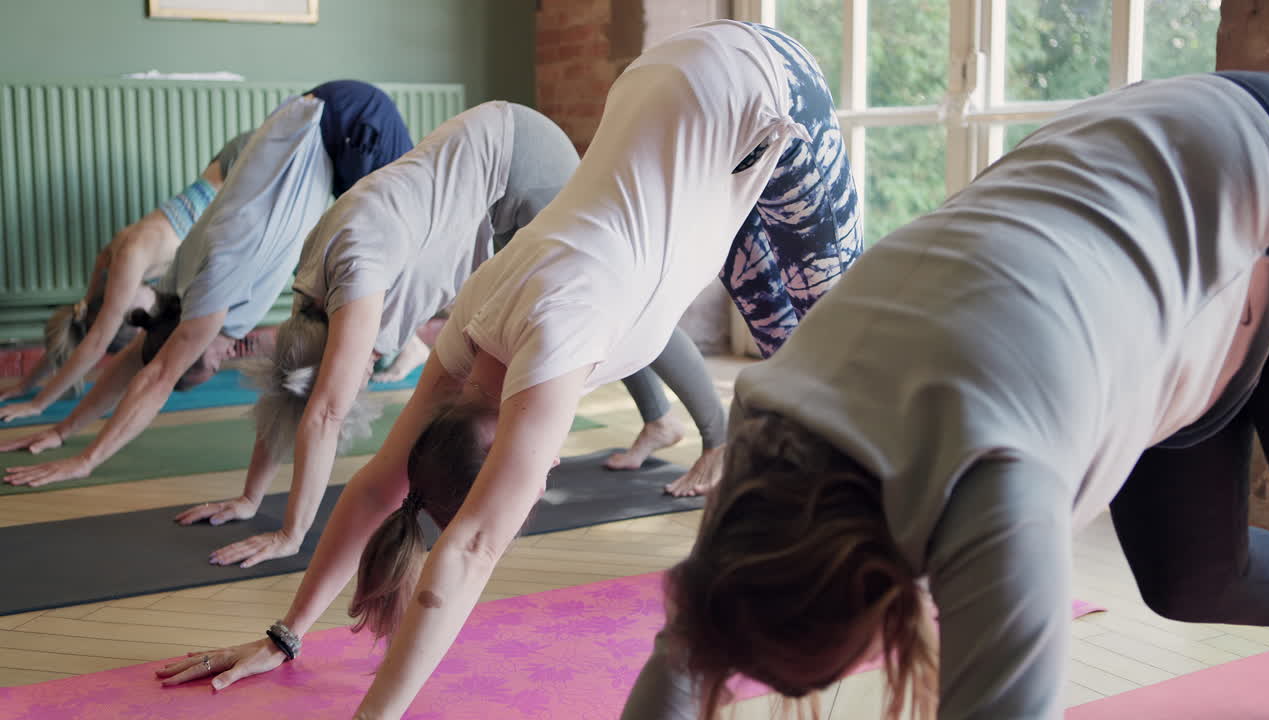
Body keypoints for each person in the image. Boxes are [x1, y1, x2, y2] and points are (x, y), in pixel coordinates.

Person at [153, 21, 861, 717]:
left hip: (757, 78)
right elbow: (377, 488)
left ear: (497, 447)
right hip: (661, 81)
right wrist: (288, 634)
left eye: (529, 474)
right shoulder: (472, 324)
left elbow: (466, 551)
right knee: (788, 353)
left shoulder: (554, 346)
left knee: (837, 356)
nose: (545, 473)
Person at [613, 70, 1269, 720]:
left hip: (1250, 156)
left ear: (874, 606)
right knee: (1196, 578)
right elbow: (687, 652)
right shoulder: (770, 435)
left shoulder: (996, 487)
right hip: (1153, 220)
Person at [175, 101, 728, 567]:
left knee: (608, 303)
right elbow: (294, 390)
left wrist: (291, 536)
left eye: (353, 372)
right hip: (486, 162)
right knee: (581, 317)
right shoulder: (312, 299)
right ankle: (658, 421)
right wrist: (251, 497)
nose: (363, 374)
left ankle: (717, 438)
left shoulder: (357, 269)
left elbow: (324, 410)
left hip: (518, 160)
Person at [1, 80, 412, 488]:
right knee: (369, 230)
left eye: (212, 364)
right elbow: (139, 356)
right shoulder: (177, 290)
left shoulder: (212, 295)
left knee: (401, 227)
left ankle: (409, 341)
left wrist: (86, 460)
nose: (227, 356)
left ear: (200, 352)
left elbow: (157, 376)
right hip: (317, 126)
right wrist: (61, 431)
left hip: (347, 118)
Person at [0, 132, 251, 421]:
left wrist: (38, 404)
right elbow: (76, 328)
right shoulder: (111, 267)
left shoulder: (129, 258)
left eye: (134, 319)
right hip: (229, 170)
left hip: (238, 165)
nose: (147, 315)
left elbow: (94, 342)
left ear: (119, 309)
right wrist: (24, 385)